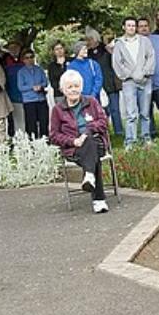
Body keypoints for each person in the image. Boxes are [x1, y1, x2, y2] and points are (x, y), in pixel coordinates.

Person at [48, 70, 111, 214]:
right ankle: (99, 200)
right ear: (63, 90)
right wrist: (73, 141)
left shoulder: (91, 102)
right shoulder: (57, 110)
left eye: (76, 86)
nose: (73, 90)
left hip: (96, 143)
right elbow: (53, 135)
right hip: (74, 150)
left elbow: (103, 122)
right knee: (93, 155)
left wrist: (88, 131)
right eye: (69, 87)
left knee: (90, 142)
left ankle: (89, 175)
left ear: (81, 87)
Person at [112, 17, 156, 148]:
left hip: (145, 80)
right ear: (124, 27)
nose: (131, 28)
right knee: (131, 114)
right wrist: (129, 75)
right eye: (128, 25)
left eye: (133, 25)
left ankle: (146, 138)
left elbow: (151, 57)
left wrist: (145, 72)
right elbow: (117, 63)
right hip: (129, 82)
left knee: (145, 112)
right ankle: (130, 141)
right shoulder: (119, 44)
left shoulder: (144, 41)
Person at [87, 31, 122, 135]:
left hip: (110, 82)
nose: (88, 42)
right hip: (96, 85)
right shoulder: (88, 54)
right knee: (99, 110)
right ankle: (103, 130)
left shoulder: (106, 50)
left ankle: (118, 131)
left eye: (90, 39)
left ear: (95, 39)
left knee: (115, 109)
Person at [16, 50, 50, 139]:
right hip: (29, 101)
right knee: (31, 124)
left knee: (44, 122)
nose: (30, 59)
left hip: (41, 99)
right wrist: (32, 87)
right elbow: (20, 87)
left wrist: (40, 86)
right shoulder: (21, 72)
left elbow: (45, 82)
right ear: (23, 60)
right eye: (27, 58)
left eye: (31, 57)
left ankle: (45, 141)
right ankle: (32, 143)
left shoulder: (39, 69)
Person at [0, 42, 26, 137]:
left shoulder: (24, 59)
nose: (14, 50)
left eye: (16, 47)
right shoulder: (4, 60)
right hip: (11, 95)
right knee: (13, 121)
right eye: (11, 48)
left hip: (26, 95)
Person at [45, 41, 70, 107]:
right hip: (59, 94)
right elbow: (52, 81)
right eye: (57, 49)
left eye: (61, 48)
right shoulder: (51, 66)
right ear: (53, 51)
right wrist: (61, 88)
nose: (59, 51)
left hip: (72, 92)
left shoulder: (71, 61)